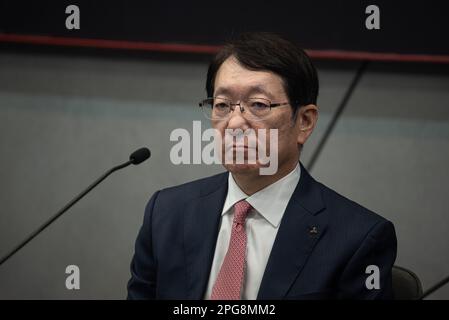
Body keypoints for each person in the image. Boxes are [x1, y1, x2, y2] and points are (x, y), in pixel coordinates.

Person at [127, 32, 397, 300]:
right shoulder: (166, 213)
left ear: (304, 121)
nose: (233, 124)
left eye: (258, 104)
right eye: (222, 105)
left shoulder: (358, 238)